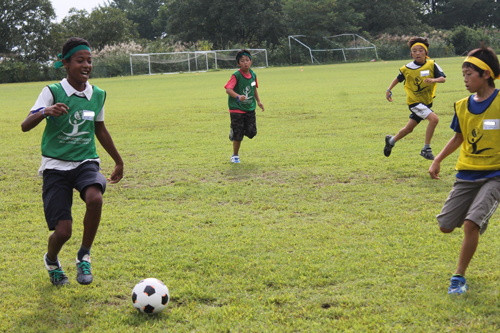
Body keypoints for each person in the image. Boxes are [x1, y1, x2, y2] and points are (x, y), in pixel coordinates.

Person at [21, 37, 124, 286]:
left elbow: (99, 129)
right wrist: (46, 111)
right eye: (80, 60)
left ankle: (84, 255)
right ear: (66, 63)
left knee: (95, 198)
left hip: (85, 161)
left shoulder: (98, 94)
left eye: (89, 60)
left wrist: (118, 161)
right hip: (55, 167)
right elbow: (25, 125)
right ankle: (52, 260)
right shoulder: (52, 91)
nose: (86, 65)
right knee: (63, 231)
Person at [429, 45, 500, 294]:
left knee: (471, 224)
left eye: (470, 73)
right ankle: (478, 215)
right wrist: (437, 159)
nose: (465, 78)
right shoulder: (461, 105)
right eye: (463, 74)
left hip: (496, 175)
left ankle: (458, 277)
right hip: (466, 174)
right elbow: (458, 137)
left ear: (486, 74)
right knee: (446, 226)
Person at [384, 37, 446, 160]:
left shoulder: (432, 64)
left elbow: (443, 78)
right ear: (411, 54)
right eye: (414, 51)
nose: (418, 53)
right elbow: (398, 78)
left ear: (426, 52)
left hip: (426, 102)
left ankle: (391, 141)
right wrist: (389, 90)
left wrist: (433, 79)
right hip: (414, 102)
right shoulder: (407, 68)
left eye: (421, 50)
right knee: (434, 120)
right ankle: (426, 149)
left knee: (409, 129)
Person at [224, 49, 265, 163]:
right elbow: (228, 89)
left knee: (252, 133)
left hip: (249, 108)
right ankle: (235, 156)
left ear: (251, 61)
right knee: (238, 134)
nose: (245, 63)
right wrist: (238, 96)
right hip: (236, 109)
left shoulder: (253, 74)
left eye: (247, 60)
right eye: (242, 61)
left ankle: (236, 130)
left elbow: (254, 88)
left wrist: (259, 101)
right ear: (238, 63)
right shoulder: (236, 75)